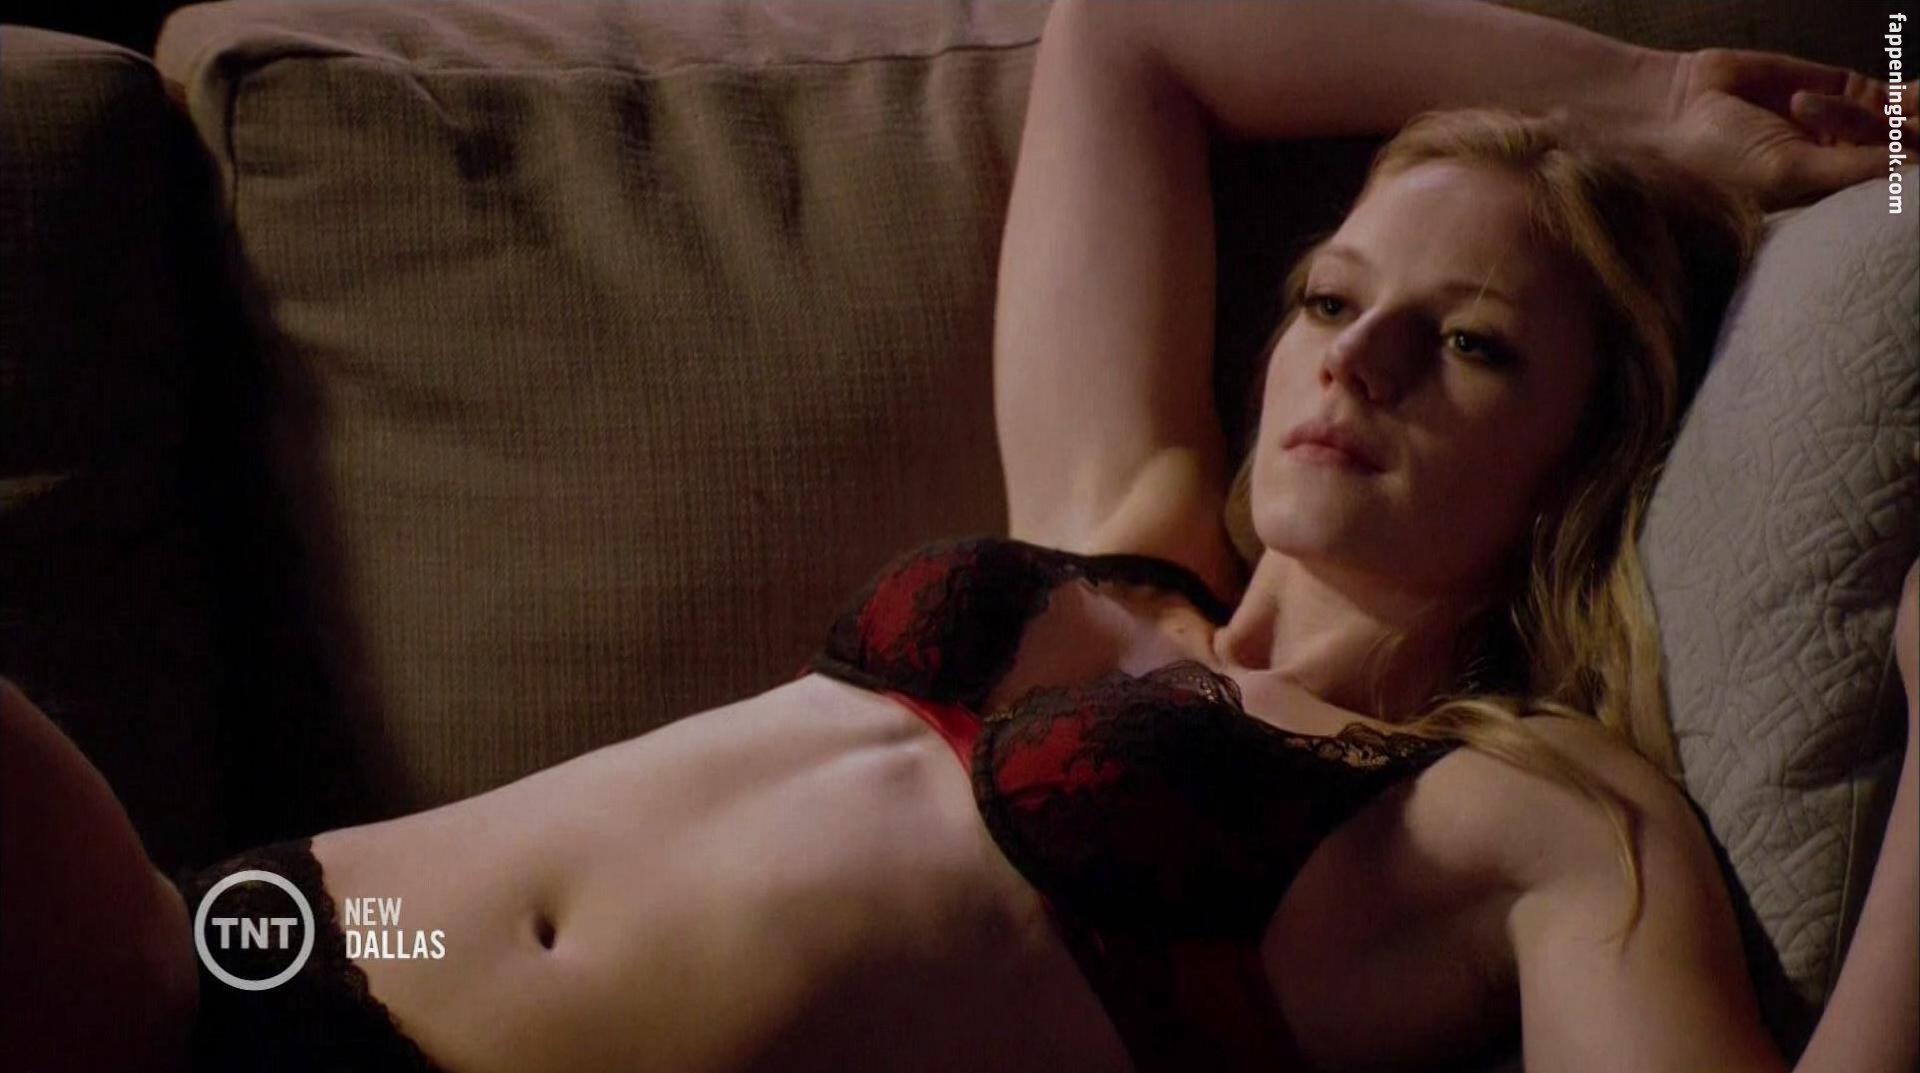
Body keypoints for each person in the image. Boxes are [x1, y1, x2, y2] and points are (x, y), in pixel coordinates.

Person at [2, 2, 1913, 1072]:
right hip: (257, 938)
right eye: (1334, 299)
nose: (1363, 357)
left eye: (1474, 344)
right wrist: (1651, 99)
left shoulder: (1528, 819)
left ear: (1583, 460)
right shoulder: (1117, 532)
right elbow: (1128, 32)